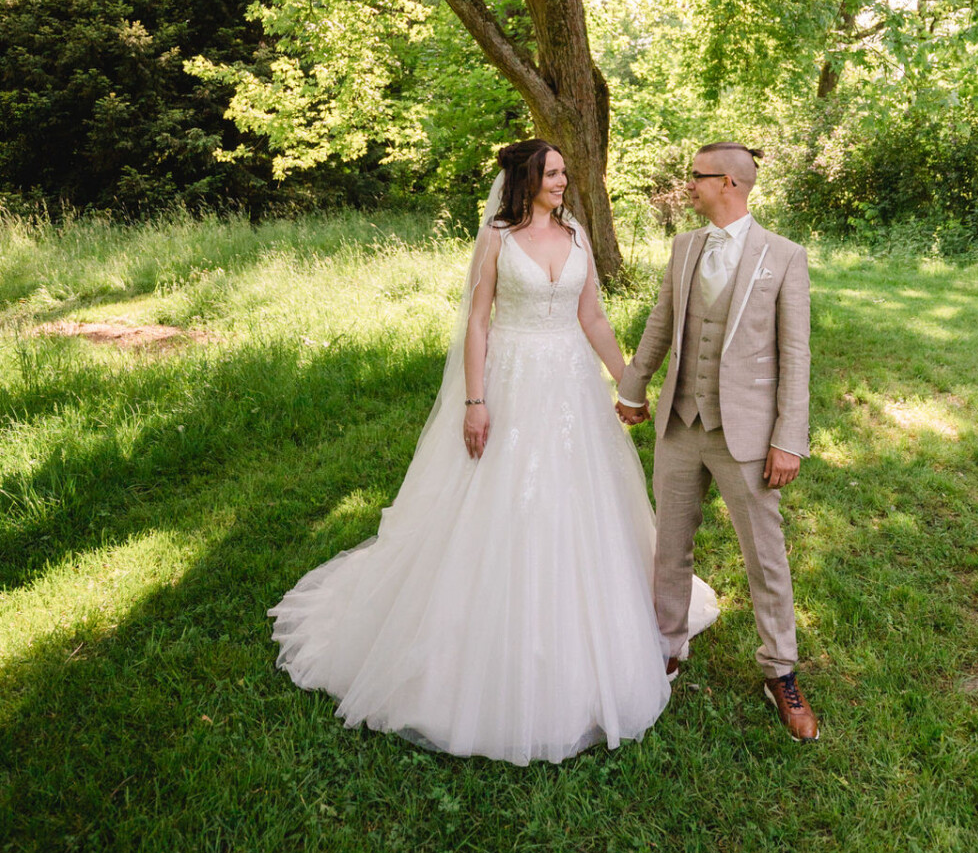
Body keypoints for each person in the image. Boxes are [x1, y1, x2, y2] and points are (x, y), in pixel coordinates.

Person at [269, 140, 717, 766]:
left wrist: (627, 380)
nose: (564, 181)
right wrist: (475, 402)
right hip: (511, 379)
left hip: (570, 386)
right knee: (499, 501)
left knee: (584, 502)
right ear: (528, 178)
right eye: (554, 173)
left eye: (565, 172)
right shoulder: (498, 239)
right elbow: (477, 322)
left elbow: (592, 317)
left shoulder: (578, 236)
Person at [616, 142, 819, 741]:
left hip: (747, 434)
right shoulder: (684, 248)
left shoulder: (784, 257)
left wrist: (789, 439)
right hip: (681, 423)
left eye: (696, 178)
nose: (689, 187)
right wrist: (633, 386)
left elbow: (796, 356)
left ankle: (780, 669)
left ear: (729, 182)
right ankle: (666, 649)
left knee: (765, 554)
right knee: (669, 545)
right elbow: (660, 322)